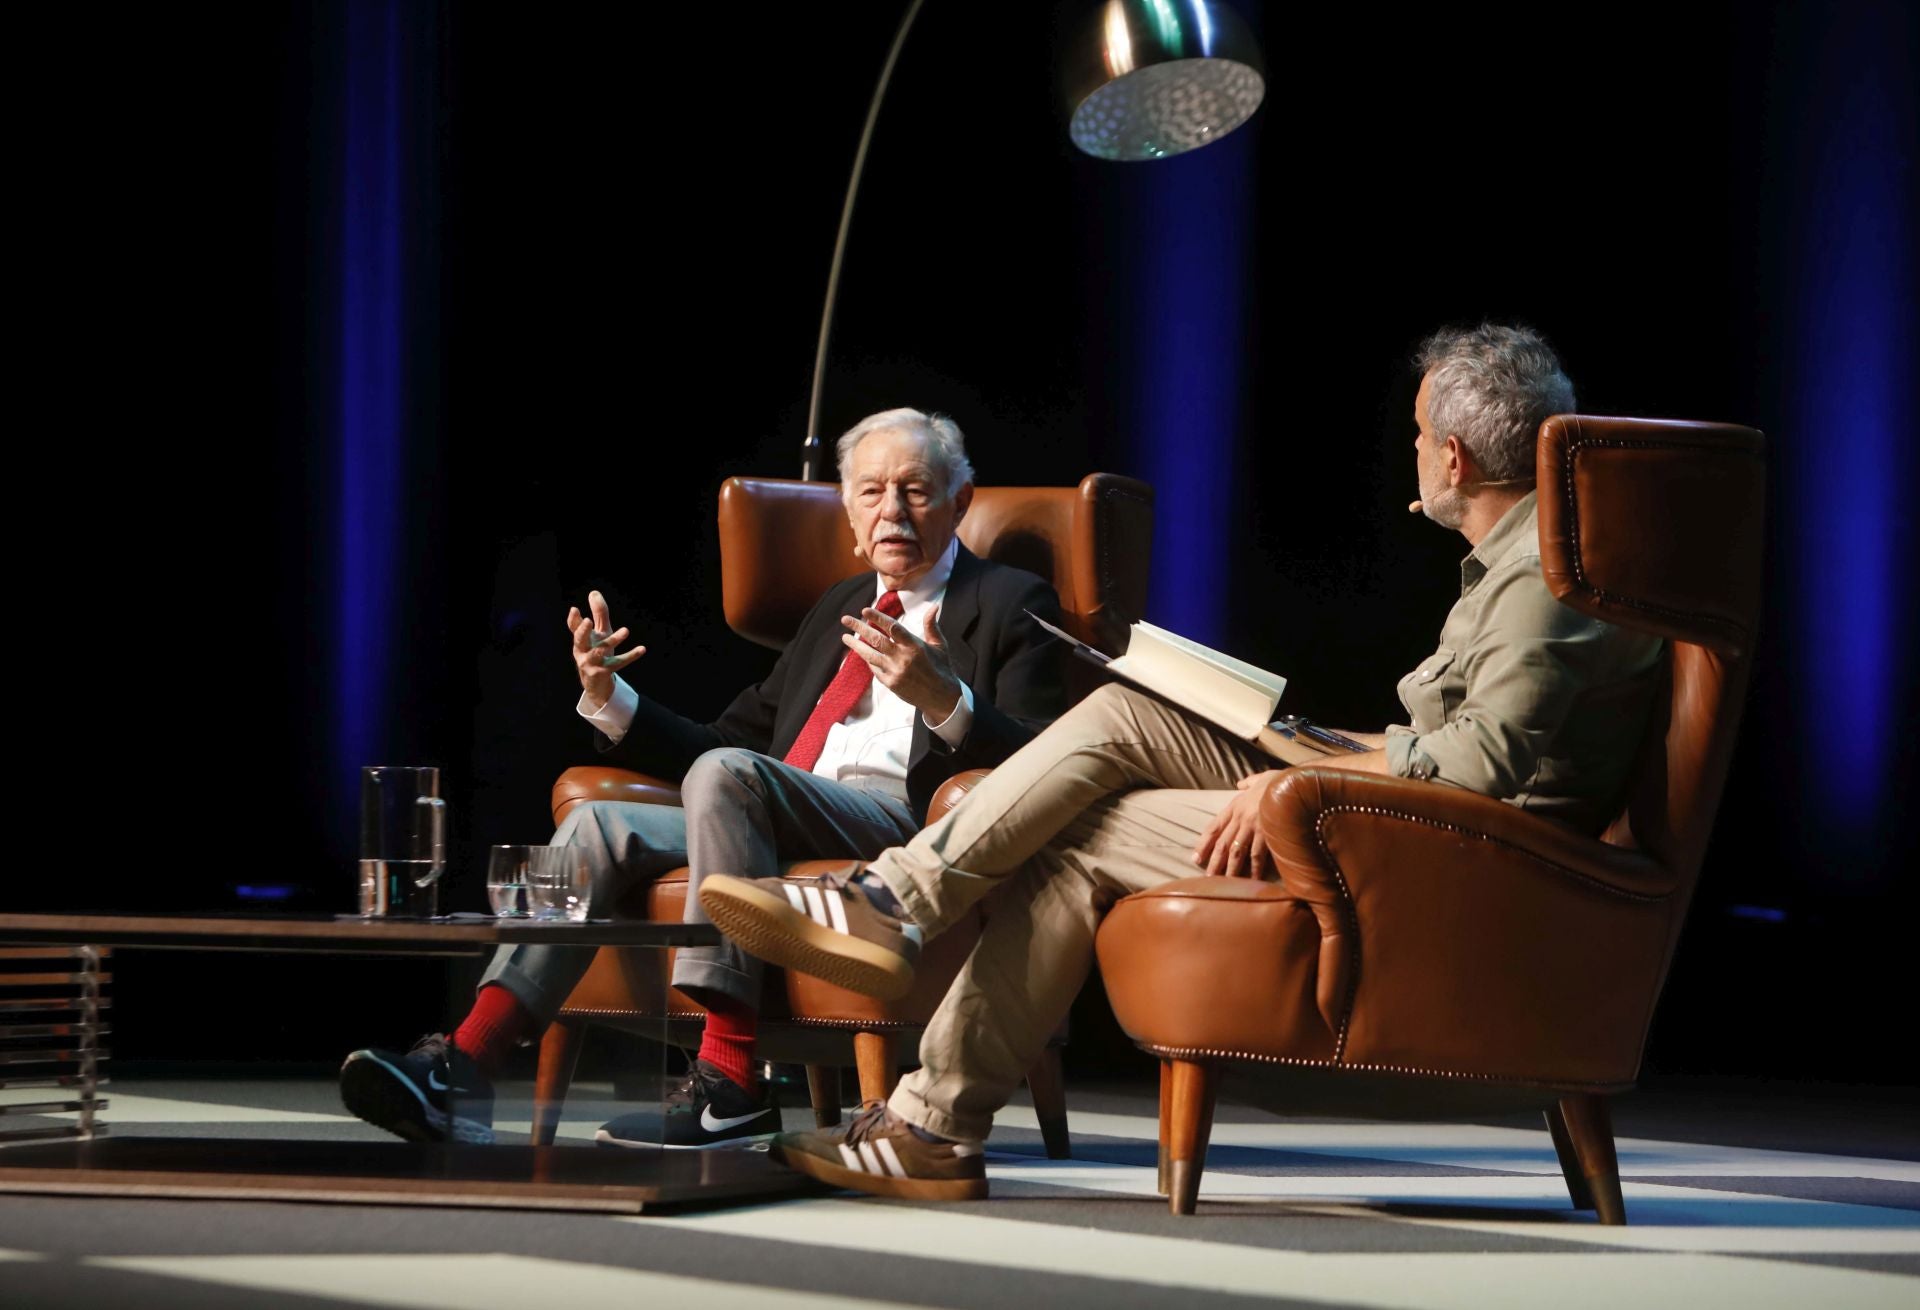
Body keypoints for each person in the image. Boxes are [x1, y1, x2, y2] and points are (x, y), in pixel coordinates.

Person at [697, 325, 1667, 1199]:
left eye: (1417, 433)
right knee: (1126, 725)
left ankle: (904, 954)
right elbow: (1455, 744)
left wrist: (1301, 783)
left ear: (1452, 454)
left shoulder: (1546, 576)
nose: (1411, 449)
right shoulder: (1523, 566)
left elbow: (1482, 771)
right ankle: (924, 1096)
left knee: (1093, 781)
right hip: (1397, 815)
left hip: (1442, 854)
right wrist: (1312, 747)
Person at [338, 408, 1066, 1147]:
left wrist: (945, 699)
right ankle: (468, 1063)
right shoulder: (837, 610)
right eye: (872, 492)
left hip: (910, 831)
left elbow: (1045, 762)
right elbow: (726, 745)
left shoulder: (1010, 603)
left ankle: (732, 1075)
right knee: (597, 820)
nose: (892, 510)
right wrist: (609, 698)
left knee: (730, 778)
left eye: (915, 489)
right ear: (848, 513)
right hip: (766, 815)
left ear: (960, 503)